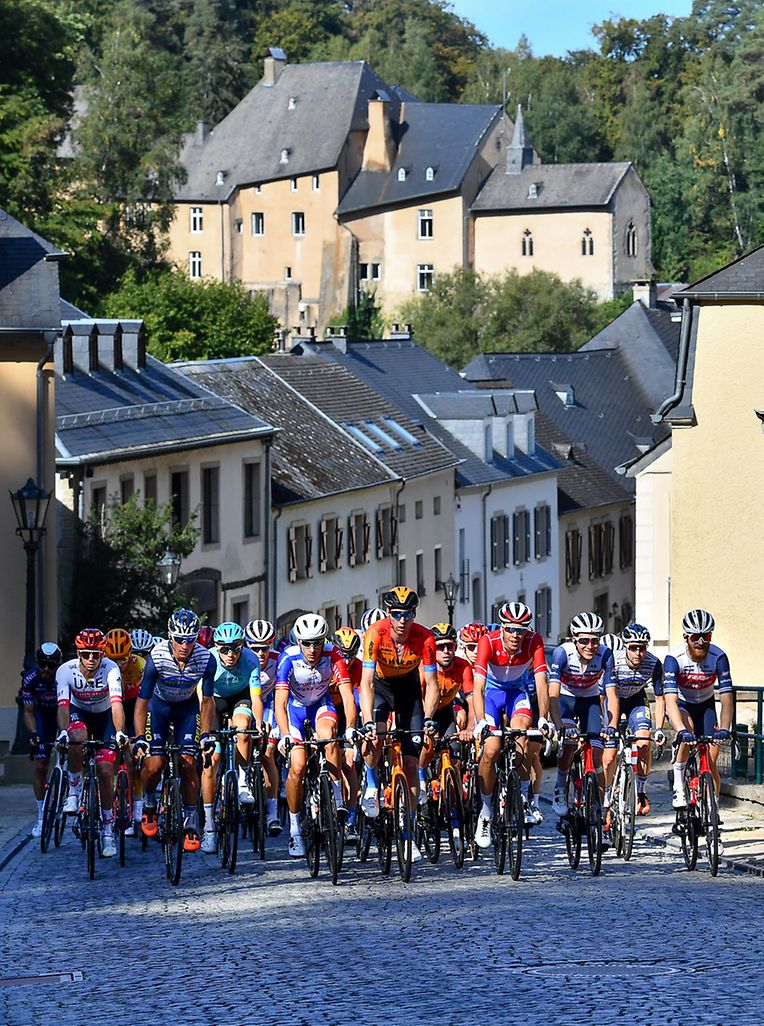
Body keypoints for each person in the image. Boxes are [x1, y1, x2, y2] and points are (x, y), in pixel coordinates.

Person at [358, 587, 439, 863]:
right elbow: (366, 683)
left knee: (411, 764)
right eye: (397, 614)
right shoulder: (375, 633)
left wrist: (428, 718)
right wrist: (368, 720)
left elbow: (431, 685)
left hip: (408, 690)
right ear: (389, 614)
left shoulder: (425, 637)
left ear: (414, 615)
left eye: (408, 614)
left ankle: (409, 832)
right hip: (380, 687)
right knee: (375, 737)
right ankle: (370, 783)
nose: (403, 620)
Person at [133, 609, 216, 852]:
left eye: (189, 640)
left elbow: (208, 701)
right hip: (158, 710)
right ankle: (149, 803)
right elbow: (141, 703)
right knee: (155, 764)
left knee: (189, 763)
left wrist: (206, 734)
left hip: (186, 711)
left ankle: (191, 822)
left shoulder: (205, 658)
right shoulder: (156, 657)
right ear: (170, 636)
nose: (184, 645)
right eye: (179, 639)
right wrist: (139, 738)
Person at [471, 602, 552, 848]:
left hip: (517, 693)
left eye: (521, 630)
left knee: (523, 737)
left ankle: (524, 797)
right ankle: (485, 812)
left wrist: (544, 717)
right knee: (491, 750)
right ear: (503, 629)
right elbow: (478, 687)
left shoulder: (533, 641)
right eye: (511, 630)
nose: (516, 635)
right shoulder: (488, 641)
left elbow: (541, 682)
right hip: (492, 696)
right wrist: (481, 720)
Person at [275, 614, 355, 857]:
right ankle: (295, 829)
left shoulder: (333, 655)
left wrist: (350, 727)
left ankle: (338, 797)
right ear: (298, 642)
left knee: (329, 736)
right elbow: (280, 703)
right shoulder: (288, 657)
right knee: (298, 766)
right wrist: (285, 734)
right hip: (295, 710)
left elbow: (348, 695)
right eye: (307, 643)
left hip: (321, 704)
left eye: (317, 642)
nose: (312, 649)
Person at [56, 629, 126, 858]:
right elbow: (64, 706)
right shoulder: (65, 671)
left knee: (106, 771)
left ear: (102, 654)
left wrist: (119, 732)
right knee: (75, 738)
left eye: (96, 654)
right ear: (78, 653)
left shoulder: (111, 668)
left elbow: (116, 704)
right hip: (79, 713)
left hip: (105, 716)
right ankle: (74, 791)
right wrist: (64, 732)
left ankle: (107, 830)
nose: (91, 659)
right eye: (86, 654)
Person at [200, 622, 263, 853]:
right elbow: (204, 701)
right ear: (216, 648)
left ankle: (243, 780)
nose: (230, 654)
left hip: (240, 696)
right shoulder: (208, 660)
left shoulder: (250, 659)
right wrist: (206, 733)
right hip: (214, 701)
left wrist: (259, 722)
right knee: (213, 761)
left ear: (242, 646)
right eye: (224, 649)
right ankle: (208, 827)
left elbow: (256, 698)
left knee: (243, 727)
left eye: (235, 648)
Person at [663, 608, 733, 806]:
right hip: (683, 705)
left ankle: (713, 807)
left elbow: (727, 697)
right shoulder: (674, 659)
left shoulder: (718, 657)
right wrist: (681, 730)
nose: (701, 641)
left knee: (711, 763)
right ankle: (678, 783)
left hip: (706, 705)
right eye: (696, 637)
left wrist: (726, 728)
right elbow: (670, 699)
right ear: (686, 637)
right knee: (688, 730)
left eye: (706, 636)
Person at [549, 612, 614, 818]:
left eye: (595, 640)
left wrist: (610, 725)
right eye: (584, 640)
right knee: (569, 742)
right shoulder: (562, 653)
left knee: (596, 753)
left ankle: (600, 806)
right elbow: (553, 693)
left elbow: (611, 694)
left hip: (589, 699)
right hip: (565, 699)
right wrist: (559, 725)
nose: (590, 646)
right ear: (574, 639)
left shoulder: (605, 655)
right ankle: (560, 787)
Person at [602, 623, 664, 815]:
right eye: (633, 647)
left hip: (636, 700)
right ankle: (606, 795)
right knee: (610, 754)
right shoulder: (613, 659)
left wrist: (660, 728)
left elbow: (660, 698)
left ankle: (641, 791)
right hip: (612, 699)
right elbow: (604, 695)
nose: (638, 652)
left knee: (644, 740)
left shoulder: (654, 663)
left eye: (642, 647)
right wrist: (607, 725)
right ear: (625, 646)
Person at [417, 623, 472, 800]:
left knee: (455, 757)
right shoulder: (424, 666)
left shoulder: (463, 666)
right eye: (441, 647)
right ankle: (421, 780)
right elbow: (416, 698)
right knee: (427, 746)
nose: (446, 651)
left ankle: (454, 802)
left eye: (451, 646)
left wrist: (470, 729)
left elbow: (472, 700)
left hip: (446, 712)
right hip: (423, 712)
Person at [104, 628, 145, 834]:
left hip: (134, 706)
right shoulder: (104, 667)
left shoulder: (140, 666)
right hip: (112, 707)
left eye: (123, 659)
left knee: (133, 757)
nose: (119, 665)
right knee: (109, 756)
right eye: (114, 660)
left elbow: (148, 699)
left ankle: (137, 800)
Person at [244, 618, 282, 835]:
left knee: (268, 753)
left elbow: (280, 696)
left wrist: (276, 726)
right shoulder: (244, 660)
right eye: (255, 648)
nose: (260, 653)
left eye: (265, 648)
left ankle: (272, 813)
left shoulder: (278, 660)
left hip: (269, 704)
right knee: (244, 741)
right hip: (247, 703)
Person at [21, 643, 63, 837]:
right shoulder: (30, 678)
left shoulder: (64, 676)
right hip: (42, 717)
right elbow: (28, 711)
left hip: (63, 713)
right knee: (40, 765)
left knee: (76, 750)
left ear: (58, 665)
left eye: (51, 665)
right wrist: (33, 734)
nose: (47, 669)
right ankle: (41, 816)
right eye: (42, 664)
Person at [332, 626, 364, 840]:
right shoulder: (330, 664)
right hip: (325, 711)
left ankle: (351, 817)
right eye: (344, 654)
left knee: (349, 763)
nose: (348, 660)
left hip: (347, 713)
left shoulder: (358, 667)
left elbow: (360, 697)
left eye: (352, 654)